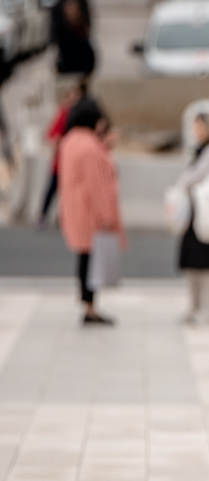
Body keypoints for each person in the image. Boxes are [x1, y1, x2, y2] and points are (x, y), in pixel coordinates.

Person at [57, 99, 125, 325]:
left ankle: (88, 305)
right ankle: (90, 308)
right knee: (91, 262)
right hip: (91, 215)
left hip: (74, 210)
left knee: (84, 259)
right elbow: (98, 184)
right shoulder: (90, 146)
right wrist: (107, 216)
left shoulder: (69, 142)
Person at [175, 113, 209, 325]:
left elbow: (193, 178)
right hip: (196, 215)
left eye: (198, 127)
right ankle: (196, 306)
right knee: (193, 263)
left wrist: (184, 183)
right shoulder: (200, 151)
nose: (195, 132)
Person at [38, 79, 88, 230]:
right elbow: (51, 135)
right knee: (52, 189)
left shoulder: (81, 115)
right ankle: (43, 215)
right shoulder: (63, 113)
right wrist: (60, 141)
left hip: (72, 162)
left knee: (69, 193)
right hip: (60, 161)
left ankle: (64, 218)